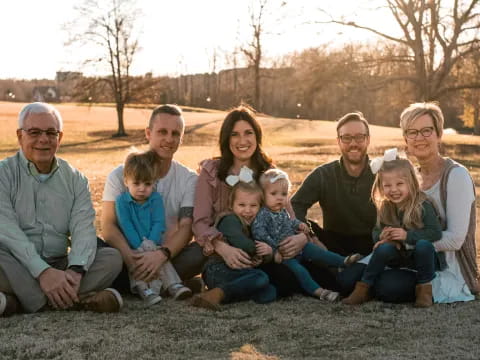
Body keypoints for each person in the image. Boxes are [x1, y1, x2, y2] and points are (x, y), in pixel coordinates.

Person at [0, 102, 123, 317]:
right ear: (20, 136)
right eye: (34, 132)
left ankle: (22, 302)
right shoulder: (3, 174)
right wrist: (42, 272)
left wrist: (75, 271)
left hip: (61, 265)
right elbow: (7, 231)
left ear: (60, 138)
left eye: (51, 132)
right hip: (14, 262)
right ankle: (71, 299)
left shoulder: (76, 180)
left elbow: (84, 230)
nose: (44, 139)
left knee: (112, 258)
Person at [193, 105, 310, 298]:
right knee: (264, 281)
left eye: (248, 133)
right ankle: (219, 293)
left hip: (263, 256)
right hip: (223, 258)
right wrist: (222, 248)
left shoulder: (269, 171)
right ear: (226, 139)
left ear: (257, 137)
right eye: (234, 134)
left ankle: (246, 288)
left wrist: (302, 237)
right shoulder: (212, 171)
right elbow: (200, 222)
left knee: (284, 284)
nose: (242, 141)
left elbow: (288, 216)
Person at [371, 102, 479, 304]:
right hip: (409, 258)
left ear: (438, 134)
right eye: (412, 132)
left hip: (448, 266)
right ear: (405, 139)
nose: (419, 138)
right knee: (361, 276)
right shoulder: (409, 178)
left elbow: (455, 239)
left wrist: (405, 241)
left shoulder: (456, 176)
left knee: (387, 287)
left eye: (426, 130)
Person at [102, 104, 206, 295]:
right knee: (100, 249)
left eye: (175, 133)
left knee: (203, 250)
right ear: (148, 133)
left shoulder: (188, 179)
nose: (169, 139)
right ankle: (167, 284)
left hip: (169, 256)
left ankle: (145, 285)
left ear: (181, 138)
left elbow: (186, 227)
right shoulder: (119, 175)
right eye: (162, 132)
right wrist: (130, 256)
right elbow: (108, 225)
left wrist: (161, 255)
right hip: (129, 255)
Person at [343, 149, 442, 307]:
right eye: (387, 185)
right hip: (399, 258)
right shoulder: (386, 206)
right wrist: (381, 236)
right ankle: (363, 289)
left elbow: (435, 232)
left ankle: (424, 290)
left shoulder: (422, 204)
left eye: (399, 184)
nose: (393, 190)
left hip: (423, 258)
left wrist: (406, 236)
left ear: (411, 182)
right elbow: (376, 230)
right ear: (381, 187)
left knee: (424, 245)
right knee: (383, 249)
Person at [291, 112, 377, 294]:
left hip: (371, 244)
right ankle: (339, 270)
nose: (353, 143)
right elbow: (295, 205)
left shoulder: (381, 173)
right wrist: (311, 236)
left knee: (346, 282)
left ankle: (347, 275)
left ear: (368, 140)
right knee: (309, 228)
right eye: (346, 138)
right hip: (332, 244)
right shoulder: (324, 174)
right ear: (338, 141)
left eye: (359, 137)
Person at [252, 168, 363, 301]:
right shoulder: (263, 215)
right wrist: (275, 251)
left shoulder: (281, 211)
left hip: (299, 248)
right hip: (285, 254)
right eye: (274, 194)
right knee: (300, 271)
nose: (279, 198)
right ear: (262, 196)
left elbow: (290, 222)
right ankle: (319, 292)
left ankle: (343, 261)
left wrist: (299, 225)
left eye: (283, 194)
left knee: (318, 252)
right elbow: (260, 234)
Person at [115, 149, 192, 306]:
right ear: (126, 181)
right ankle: (144, 289)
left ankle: (173, 285)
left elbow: (158, 222)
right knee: (137, 260)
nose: (142, 188)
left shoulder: (156, 199)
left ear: (154, 182)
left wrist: (150, 242)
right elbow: (126, 225)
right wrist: (140, 245)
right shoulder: (122, 202)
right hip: (133, 245)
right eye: (136, 183)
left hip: (154, 242)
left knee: (160, 257)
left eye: (147, 184)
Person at [191, 181, 276, 310]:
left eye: (253, 205)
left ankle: (220, 293)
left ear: (260, 207)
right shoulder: (229, 220)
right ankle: (216, 294)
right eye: (241, 205)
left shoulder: (256, 225)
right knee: (260, 277)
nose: (247, 210)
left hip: (238, 272)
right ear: (231, 205)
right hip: (218, 269)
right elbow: (243, 244)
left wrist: (269, 252)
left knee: (269, 292)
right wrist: (260, 252)